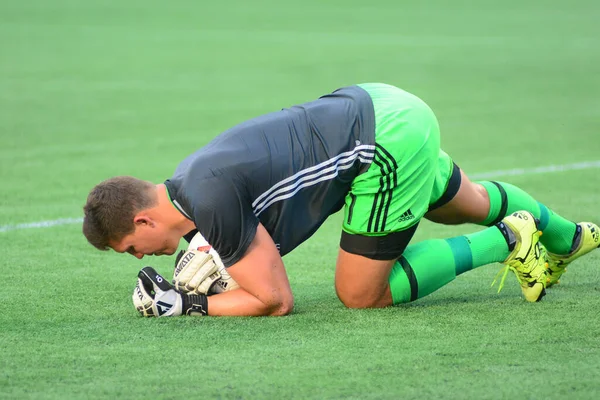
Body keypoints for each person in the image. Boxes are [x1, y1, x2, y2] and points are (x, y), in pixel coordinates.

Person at [83, 83, 599, 317]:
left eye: (130, 247)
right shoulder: (191, 179)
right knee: (464, 200)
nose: (139, 257)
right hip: (382, 106)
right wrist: (211, 255)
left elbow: (275, 300)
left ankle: (511, 237)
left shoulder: (209, 202)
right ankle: (570, 238)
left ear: (144, 219)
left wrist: (189, 305)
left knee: (360, 292)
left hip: (379, 146)